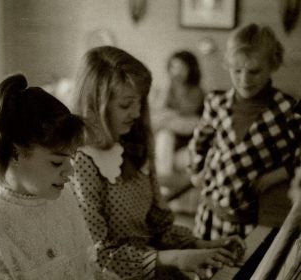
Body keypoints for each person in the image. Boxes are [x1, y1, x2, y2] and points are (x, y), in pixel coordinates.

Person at [70, 46, 244, 280]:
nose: (136, 112)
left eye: (140, 102)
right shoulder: (81, 161)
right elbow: (98, 256)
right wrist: (172, 258)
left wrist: (202, 245)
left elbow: (160, 226)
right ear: (95, 105)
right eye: (125, 104)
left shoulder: (135, 145)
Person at [0, 74, 98, 279]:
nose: (71, 171)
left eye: (70, 158)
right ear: (15, 153)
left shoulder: (65, 198)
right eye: (57, 162)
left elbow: (91, 272)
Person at [187, 23, 301, 241]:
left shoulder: (286, 109)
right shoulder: (216, 101)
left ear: (272, 65)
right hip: (211, 212)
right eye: (237, 70)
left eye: (254, 71)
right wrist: (195, 171)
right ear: (228, 65)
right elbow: (199, 141)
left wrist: (281, 173)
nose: (244, 80)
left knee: (243, 269)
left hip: (253, 218)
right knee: (207, 267)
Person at [152, 50, 204, 177]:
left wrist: (168, 116)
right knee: (164, 134)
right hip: (170, 134)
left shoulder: (196, 91)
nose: (176, 71)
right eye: (173, 66)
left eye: (181, 67)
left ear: (190, 70)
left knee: (165, 125)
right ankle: (163, 178)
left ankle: (164, 177)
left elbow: (186, 115)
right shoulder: (168, 88)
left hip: (188, 135)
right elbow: (157, 108)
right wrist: (165, 88)